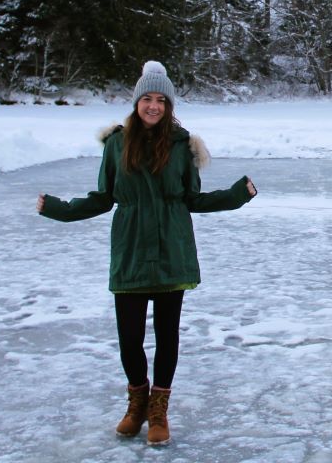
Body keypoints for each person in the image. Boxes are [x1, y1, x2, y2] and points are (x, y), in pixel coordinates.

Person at [36, 61, 257, 446]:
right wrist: (58, 208)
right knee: (129, 338)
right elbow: (103, 198)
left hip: (173, 249)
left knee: (167, 336)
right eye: (147, 99)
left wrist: (238, 195)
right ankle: (137, 403)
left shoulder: (182, 146)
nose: (153, 106)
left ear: (169, 106)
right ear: (137, 101)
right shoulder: (116, 145)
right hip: (132, 249)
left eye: (161, 100)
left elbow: (192, 199)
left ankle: (159, 411)